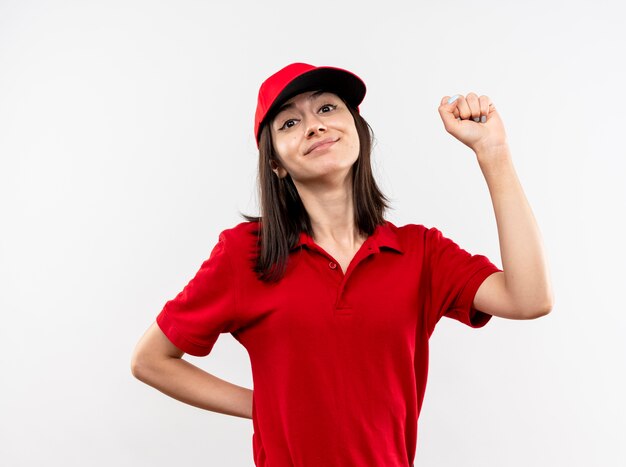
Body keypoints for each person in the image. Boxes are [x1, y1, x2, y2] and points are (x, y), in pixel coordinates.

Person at [131, 62, 554, 467]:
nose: (314, 124)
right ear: (275, 162)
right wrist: (262, 406)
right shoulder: (246, 254)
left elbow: (529, 298)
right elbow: (151, 360)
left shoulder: (420, 252)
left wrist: (493, 154)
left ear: (357, 130)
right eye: (289, 123)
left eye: (327, 108)